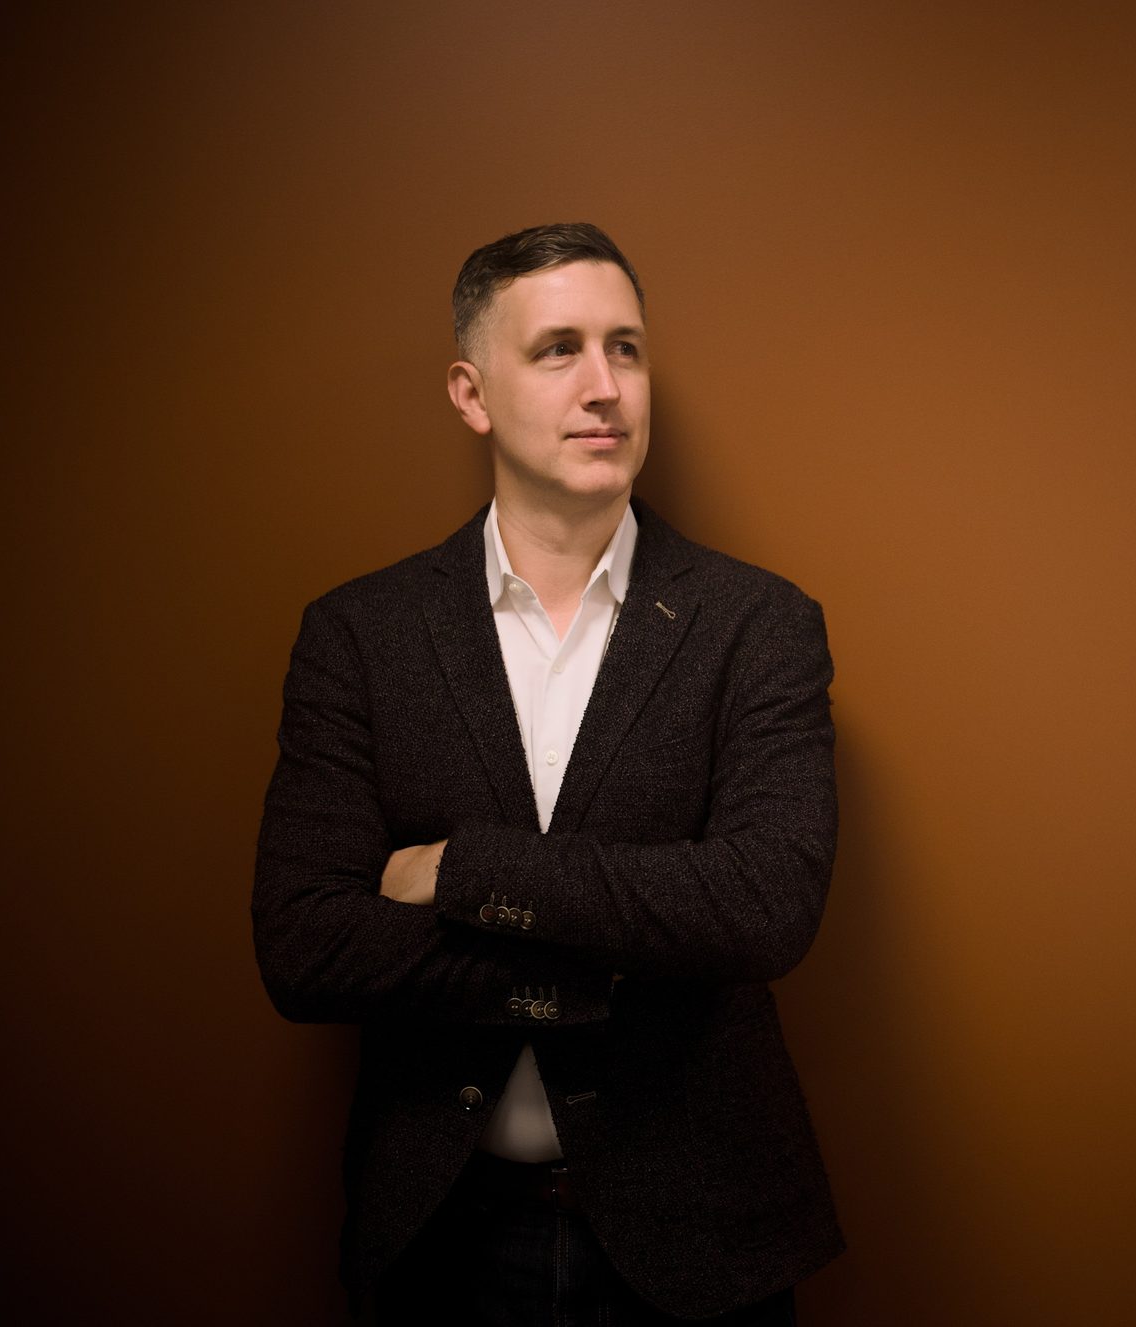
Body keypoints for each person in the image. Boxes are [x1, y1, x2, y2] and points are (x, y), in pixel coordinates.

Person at [252, 222, 842, 1324]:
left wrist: (462, 871)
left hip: (700, 1236)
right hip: (443, 1232)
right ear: (471, 394)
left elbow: (764, 907)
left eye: (626, 348)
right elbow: (303, 940)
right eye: (559, 348)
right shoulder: (360, 634)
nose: (605, 385)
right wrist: (593, 976)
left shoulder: (759, 626)